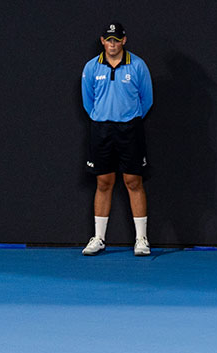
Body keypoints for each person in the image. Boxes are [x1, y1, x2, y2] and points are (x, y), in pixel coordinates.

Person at [80, 21, 153, 257]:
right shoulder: (92, 67)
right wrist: (103, 117)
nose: (112, 44)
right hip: (101, 130)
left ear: (124, 40)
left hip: (130, 130)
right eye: (108, 40)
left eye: (116, 40)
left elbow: (147, 99)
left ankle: (141, 239)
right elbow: (88, 101)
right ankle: (99, 238)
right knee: (103, 182)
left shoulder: (138, 66)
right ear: (103, 41)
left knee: (133, 181)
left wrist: (127, 118)